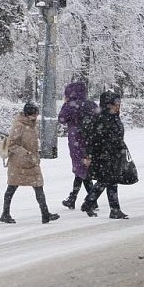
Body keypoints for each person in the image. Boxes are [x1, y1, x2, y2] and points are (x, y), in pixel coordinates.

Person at [0, 102, 60, 224]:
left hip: (32, 162)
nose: (36, 117)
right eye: (34, 115)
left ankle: (45, 214)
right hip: (18, 163)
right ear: (28, 114)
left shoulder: (32, 124)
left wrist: (35, 155)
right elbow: (12, 145)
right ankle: (5, 214)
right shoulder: (19, 125)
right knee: (12, 187)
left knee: (39, 186)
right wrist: (26, 153)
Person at [80, 91, 130, 220]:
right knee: (106, 180)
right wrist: (89, 155)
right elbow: (93, 138)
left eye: (119, 103)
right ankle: (90, 203)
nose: (118, 106)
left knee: (110, 181)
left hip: (114, 153)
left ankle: (113, 209)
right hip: (104, 154)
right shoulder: (101, 118)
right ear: (108, 105)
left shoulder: (113, 117)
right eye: (116, 103)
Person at [57, 81, 97, 210]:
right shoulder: (91, 104)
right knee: (83, 169)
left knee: (81, 170)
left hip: (76, 142)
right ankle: (74, 198)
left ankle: (89, 199)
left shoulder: (70, 105)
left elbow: (61, 119)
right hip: (91, 140)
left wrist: (65, 104)